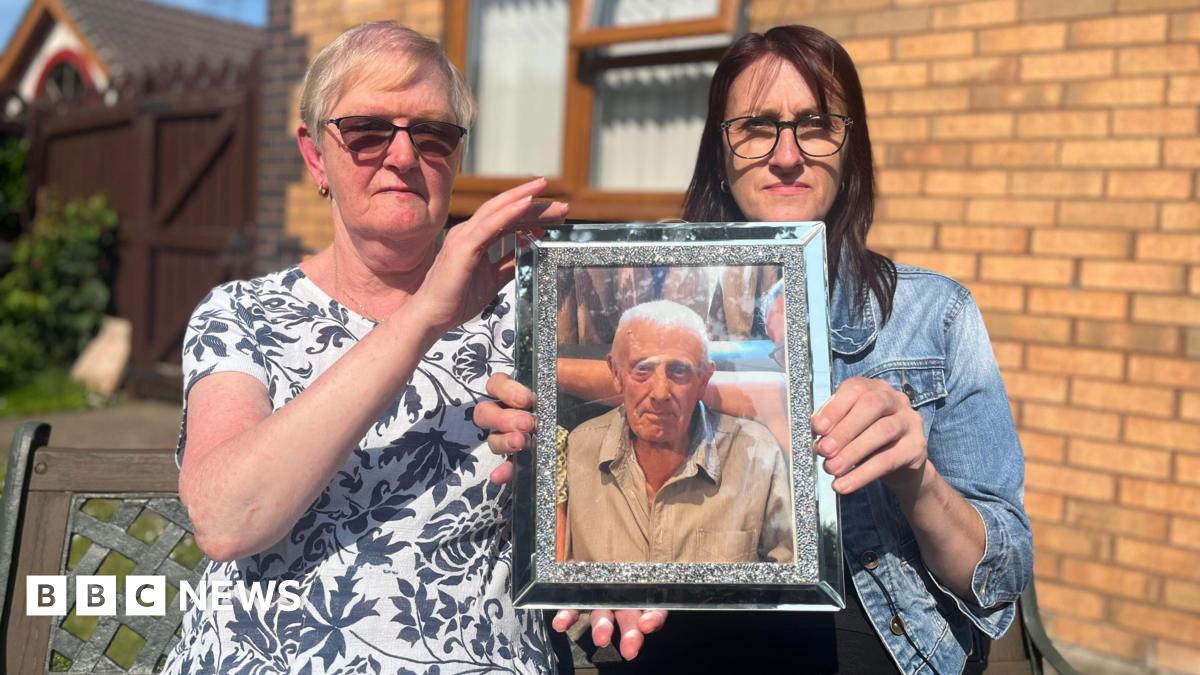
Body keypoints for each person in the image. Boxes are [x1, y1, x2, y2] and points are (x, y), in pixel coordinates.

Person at [477, 24, 1032, 674]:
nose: (787, 153)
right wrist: (536, 422)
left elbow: (1001, 574)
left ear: (850, 145)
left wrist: (917, 479)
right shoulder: (647, 279)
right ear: (721, 146)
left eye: (815, 124)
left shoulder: (933, 316)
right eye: (757, 126)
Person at [163, 22, 663, 673]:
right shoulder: (244, 315)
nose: (402, 156)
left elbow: (643, 447)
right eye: (368, 132)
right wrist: (424, 316)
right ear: (317, 157)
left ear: (455, 159)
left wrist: (610, 542)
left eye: (431, 134)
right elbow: (228, 517)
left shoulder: (532, 310)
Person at [562, 300, 792, 564]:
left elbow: (789, 586)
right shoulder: (578, 450)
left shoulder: (755, 454)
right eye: (643, 369)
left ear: (704, 378)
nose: (660, 393)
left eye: (679, 370)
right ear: (616, 372)